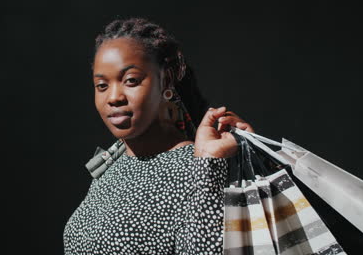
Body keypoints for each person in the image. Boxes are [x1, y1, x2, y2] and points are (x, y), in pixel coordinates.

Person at [63, 17, 254, 254]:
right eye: (102, 85)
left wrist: (209, 165)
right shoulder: (112, 165)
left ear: (166, 79)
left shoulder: (198, 168)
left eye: (130, 81)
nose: (113, 97)